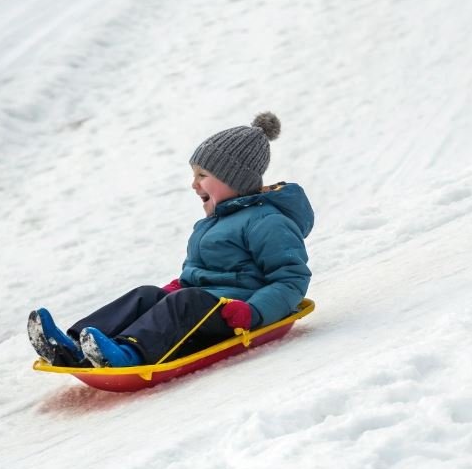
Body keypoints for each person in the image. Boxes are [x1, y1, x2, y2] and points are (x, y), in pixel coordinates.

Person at [28, 112, 313, 368]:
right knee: (147, 294)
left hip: (235, 316)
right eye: (194, 175)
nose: (194, 184)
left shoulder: (267, 221)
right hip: (203, 306)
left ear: (234, 180)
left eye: (203, 175)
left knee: (186, 301)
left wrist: (253, 312)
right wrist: (180, 285)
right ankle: (74, 345)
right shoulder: (214, 223)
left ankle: (128, 353)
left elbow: (291, 280)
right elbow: (202, 273)